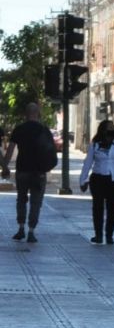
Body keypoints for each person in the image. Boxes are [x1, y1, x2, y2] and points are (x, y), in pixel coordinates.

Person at [2, 102, 56, 243]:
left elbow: (10, 150)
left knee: (21, 199)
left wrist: (5, 167)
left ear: (26, 114)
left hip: (22, 170)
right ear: (38, 113)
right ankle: (31, 231)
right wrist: (47, 168)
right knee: (36, 202)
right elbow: (51, 151)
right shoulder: (44, 130)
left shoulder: (19, 129)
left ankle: (21, 228)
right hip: (39, 172)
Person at [78, 119, 114, 245]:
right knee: (97, 207)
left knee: (112, 208)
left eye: (112, 127)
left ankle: (109, 235)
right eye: (108, 128)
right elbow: (88, 163)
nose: (110, 130)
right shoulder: (95, 144)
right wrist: (83, 180)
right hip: (98, 179)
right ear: (103, 130)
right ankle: (98, 235)